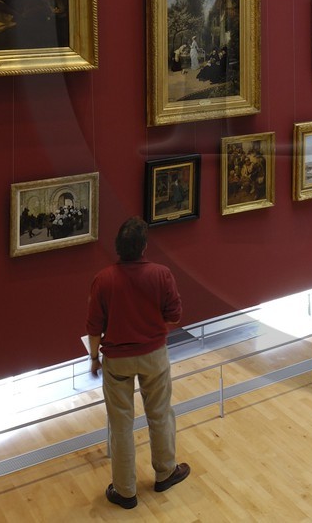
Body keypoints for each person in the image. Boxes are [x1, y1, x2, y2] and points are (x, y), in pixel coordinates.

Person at [86, 217, 190, 510]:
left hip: (117, 360)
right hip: (154, 355)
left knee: (120, 425)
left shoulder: (103, 279)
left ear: (118, 248)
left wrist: (95, 358)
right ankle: (166, 472)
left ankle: (125, 490)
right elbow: (175, 316)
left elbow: (94, 327)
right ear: (144, 247)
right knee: (160, 414)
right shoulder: (162, 274)